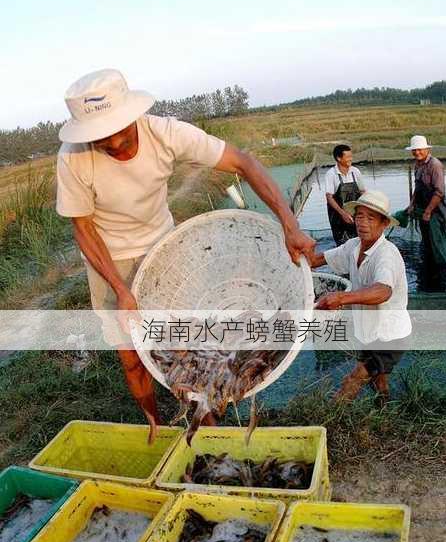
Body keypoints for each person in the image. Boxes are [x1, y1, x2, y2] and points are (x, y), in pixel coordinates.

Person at [56, 69, 314, 442]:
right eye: (102, 139)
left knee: (184, 344)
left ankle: (205, 419)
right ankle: (156, 424)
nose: (114, 143)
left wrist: (289, 225)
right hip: (107, 257)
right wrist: (122, 290)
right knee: (131, 355)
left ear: (134, 116)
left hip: (164, 247)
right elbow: (83, 228)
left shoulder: (166, 133)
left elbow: (244, 162)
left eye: (121, 132)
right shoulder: (73, 158)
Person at [306, 190, 411, 403]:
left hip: (389, 336)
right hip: (369, 333)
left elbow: (383, 291)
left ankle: (332, 422)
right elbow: (316, 261)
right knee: (377, 380)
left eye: (371, 218)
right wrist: (298, 250)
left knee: (353, 380)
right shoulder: (353, 247)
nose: (363, 222)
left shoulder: (386, 255)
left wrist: (341, 298)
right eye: (360, 216)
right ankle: (385, 406)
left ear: (384, 224)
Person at [405, 135, 446, 291]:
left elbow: (439, 192)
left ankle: (442, 275)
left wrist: (428, 211)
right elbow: (417, 188)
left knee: (437, 243)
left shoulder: (435, 165)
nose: (417, 152)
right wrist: (411, 205)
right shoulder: (417, 165)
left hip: (436, 211)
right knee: (427, 243)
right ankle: (430, 272)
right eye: (414, 150)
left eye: (419, 149)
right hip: (422, 209)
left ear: (427, 149)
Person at [325, 144, 366, 246]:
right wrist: (343, 213)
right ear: (339, 158)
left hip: (355, 214)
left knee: (359, 243)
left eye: (351, 156)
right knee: (343, 245)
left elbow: (362, 192)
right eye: (347, 157)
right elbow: (329, 197)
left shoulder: (355, 172)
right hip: (338, 216)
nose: (350, 159)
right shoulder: (331, 174)